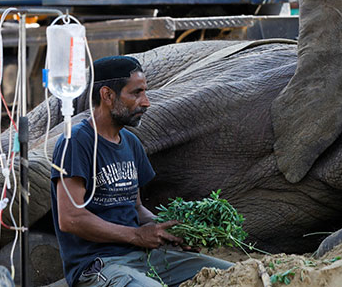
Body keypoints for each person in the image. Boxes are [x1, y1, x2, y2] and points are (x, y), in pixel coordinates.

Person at [50, 56, 233, 286]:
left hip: (143, 257)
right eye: (136, 93)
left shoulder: (130, 142)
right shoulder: (76, 141)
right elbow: (70, 219)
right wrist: (136, 236)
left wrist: (171, 232)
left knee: (233, 275)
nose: (146, 102)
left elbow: (136, 208)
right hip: (99, 264)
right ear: (107, 95)